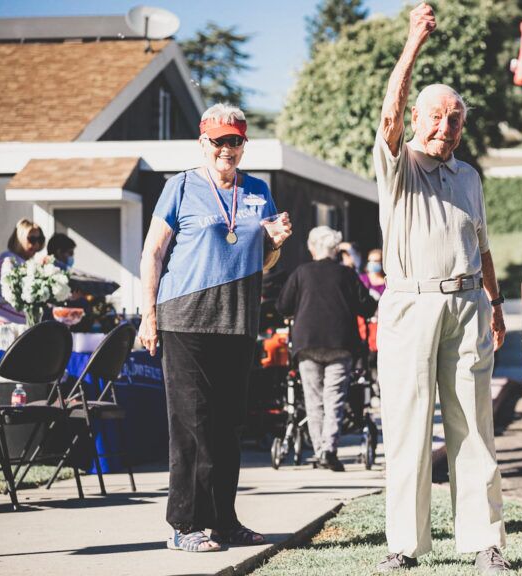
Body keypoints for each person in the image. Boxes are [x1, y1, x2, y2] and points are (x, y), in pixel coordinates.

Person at [372, 3, 509, 572]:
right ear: (416, 118)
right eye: (435, 117)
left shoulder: (469, 176)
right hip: (411, 305)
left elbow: (483, 246)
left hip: (469, 304)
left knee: (474, 426)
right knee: (407, 428)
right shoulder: (398, 164)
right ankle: (404, 547)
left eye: (454, 120)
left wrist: (495, 304)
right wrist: (413, 42)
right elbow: (389, 114)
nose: (444, 128)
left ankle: (484, 543)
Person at [138, 103, 292, 553]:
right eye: (219, 141)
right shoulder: (181, 187)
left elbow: (263, 259)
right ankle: (184, 524)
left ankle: (223, 521)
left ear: (244, 144)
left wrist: (275, 243)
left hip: (237, 318)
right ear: (203, 142)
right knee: (191, 423)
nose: (227, 149)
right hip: (184, 317)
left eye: (235, 141)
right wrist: (148, 314)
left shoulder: (258, 190)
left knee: (227, 426)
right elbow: (153, 253)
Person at [276, 225, 377, 472]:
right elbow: (366, 306)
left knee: (313, 399)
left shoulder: (301, 273)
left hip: (307, 342)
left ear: (312, 248)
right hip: (340, 343)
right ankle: (328, 450)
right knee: (335, 398)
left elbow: (283, 306)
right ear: (335, 249)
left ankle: (320, 449)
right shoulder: (346, 274)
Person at [0, 219, 45, 346]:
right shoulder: (8, 258)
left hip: (19, 326)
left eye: (40, 239)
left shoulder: (28, 263)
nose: (36, 244)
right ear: (20, 238)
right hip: (2, 324)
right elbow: (10, 287)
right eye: (32, 239)